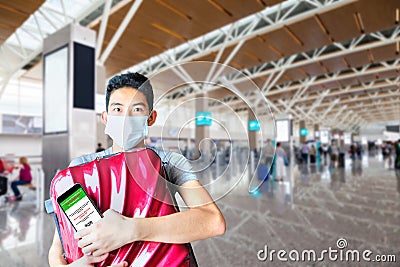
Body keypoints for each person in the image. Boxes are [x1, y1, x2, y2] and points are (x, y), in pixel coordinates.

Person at [48, 72, 226, 267]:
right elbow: (58, 248)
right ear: (105, 117)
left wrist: (131, 229)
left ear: (151, 118)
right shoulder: (80, 168)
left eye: (137, 109)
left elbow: (212, 221)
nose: (126, 118)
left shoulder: (168, 162)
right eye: (117, 109)